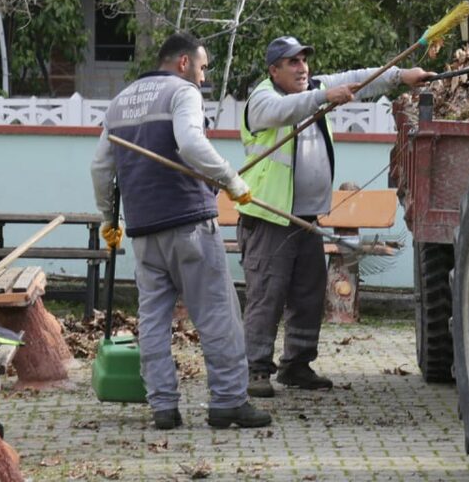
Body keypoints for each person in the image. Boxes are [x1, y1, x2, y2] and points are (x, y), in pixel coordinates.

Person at [89, 31, 271, 430]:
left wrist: (108, 220)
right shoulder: (182, 92)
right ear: (184, 63)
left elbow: (101, 168)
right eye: (203, 67)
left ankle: (163, 408)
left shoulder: (119, 103)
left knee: (153, 321)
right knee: (219, 315)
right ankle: (227, 402)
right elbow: (190, 145)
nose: (203, 78)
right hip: (189, 226)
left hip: (143, 233)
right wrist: (230, 181)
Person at [239, 36, 433, 397]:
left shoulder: (314, 88)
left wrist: (402, 75)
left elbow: (360, 77)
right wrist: (324, 97)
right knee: (267, 296)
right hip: (270, 216)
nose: (302, 68)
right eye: (292, 62)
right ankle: (255, 370)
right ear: (273, 70)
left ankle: (296, 365)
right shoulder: (262, 99)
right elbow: (289, 110)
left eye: (304, 61)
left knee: (309, 294)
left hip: (307, 218)